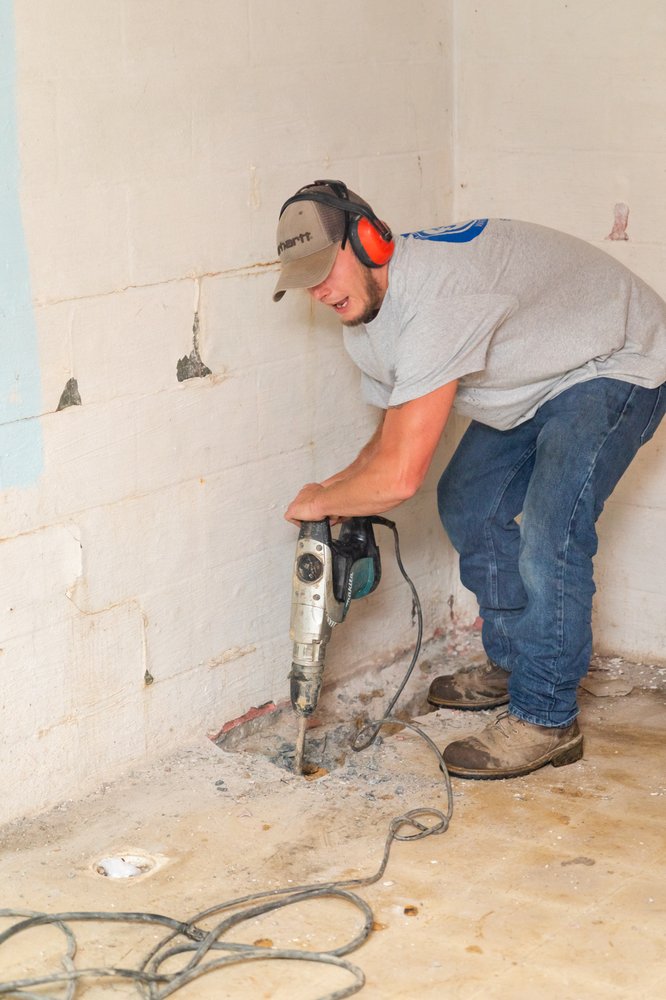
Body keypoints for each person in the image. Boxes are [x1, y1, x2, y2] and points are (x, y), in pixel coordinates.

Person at [273, 179, 666, 780]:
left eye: (326, 268)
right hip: (542, 374)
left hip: (618, 359)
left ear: (370, 240)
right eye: (305, 279)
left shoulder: (437, 301)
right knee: (467, 499)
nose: (320, 290)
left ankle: (546, 716)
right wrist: (332, 492)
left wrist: (323, 501)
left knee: (551, 530)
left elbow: (401, 476)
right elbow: (390, 435)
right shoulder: (368, 319)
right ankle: (514, 664)